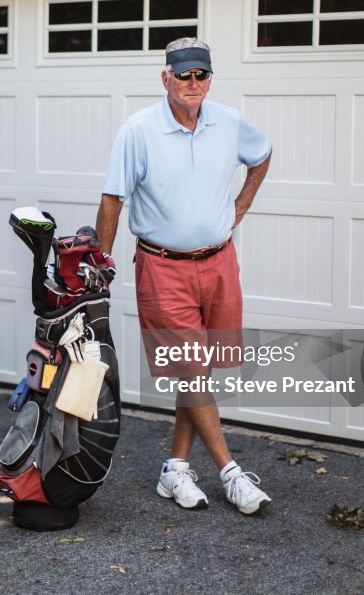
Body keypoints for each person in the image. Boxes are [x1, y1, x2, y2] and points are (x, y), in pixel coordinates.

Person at [95, 37, 272, 514]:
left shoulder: (229, 123)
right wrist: (101, 266)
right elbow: (113, 199)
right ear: (165, 77)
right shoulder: (139, 130)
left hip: (218, 263)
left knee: (199, 369)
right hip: (163, 268)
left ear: (209, 78)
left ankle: (174, 469)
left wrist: (241, 204)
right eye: (183, 74)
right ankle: (230, 472)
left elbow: (263, 154)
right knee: (193, 368)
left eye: (201, 75)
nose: (193, 83)